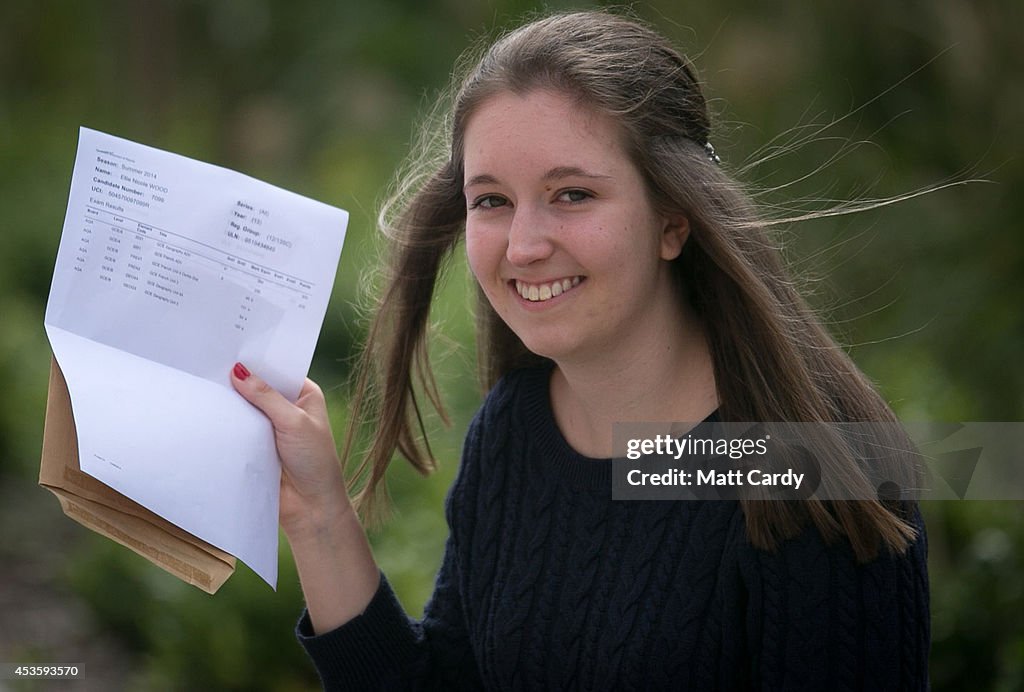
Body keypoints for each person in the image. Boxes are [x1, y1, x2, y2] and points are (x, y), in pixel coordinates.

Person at [230, 10, 930, 690]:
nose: (524, 246)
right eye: (492, 200)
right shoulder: (516, 431)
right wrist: (318, 514)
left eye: (571, 194)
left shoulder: (810, 466)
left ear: (672, 220)